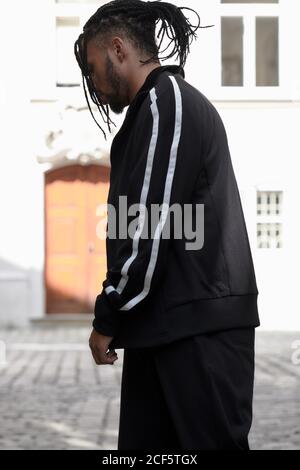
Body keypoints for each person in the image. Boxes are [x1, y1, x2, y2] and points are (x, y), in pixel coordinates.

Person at [74, 0, 260, 450]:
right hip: (163, 323)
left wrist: (109, 313)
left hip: (197, 329)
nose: (96, 88)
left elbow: (150, 225)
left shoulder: (166, 103)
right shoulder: (151, 112)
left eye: (95, 69)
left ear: (119, 49)